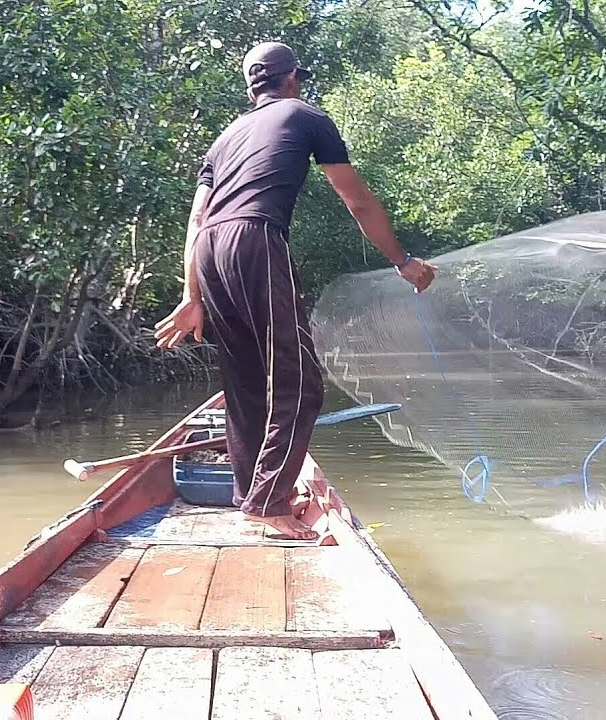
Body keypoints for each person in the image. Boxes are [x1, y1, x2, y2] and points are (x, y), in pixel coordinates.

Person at [153, 41, 435, 540]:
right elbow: (358, 200)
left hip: (210, 249)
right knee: (300, 379)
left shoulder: (223, 139)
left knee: (243, 380)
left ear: (251, 87)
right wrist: (403, 261)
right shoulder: (305, 116)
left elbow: (197, 218)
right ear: (291, 79)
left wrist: (190, 295)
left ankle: (253, 492)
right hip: (256, 237)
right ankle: (266, 504)